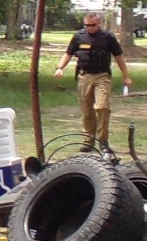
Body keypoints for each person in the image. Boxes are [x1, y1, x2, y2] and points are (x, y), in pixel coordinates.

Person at [54, 11, 130, 149]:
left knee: (102, 107)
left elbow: (119, 57)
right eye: (87, 25)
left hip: (102, 76)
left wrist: (126, 75)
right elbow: (68, 54)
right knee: (87, 111)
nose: (90, 28)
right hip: (84, 76)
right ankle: (88, 141)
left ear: (98, 23)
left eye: (93, 25)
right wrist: (60, 68)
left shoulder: (108, 37)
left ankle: (103, 141)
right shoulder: (79, 36)